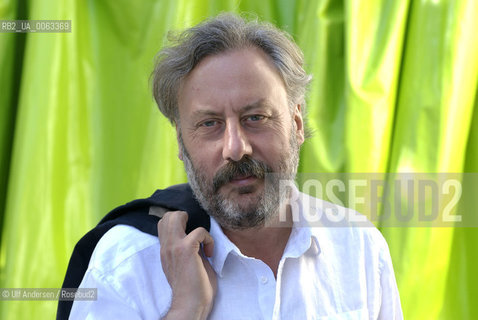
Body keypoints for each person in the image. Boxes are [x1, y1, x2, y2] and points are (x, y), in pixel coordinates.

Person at [69, 13, 403, 319]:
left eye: (255, 117)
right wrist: (186, 309)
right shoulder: (126, 266)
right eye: (210, 124)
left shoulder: (359, 247)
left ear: (297, 123)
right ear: (181, 144)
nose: (235, 148)